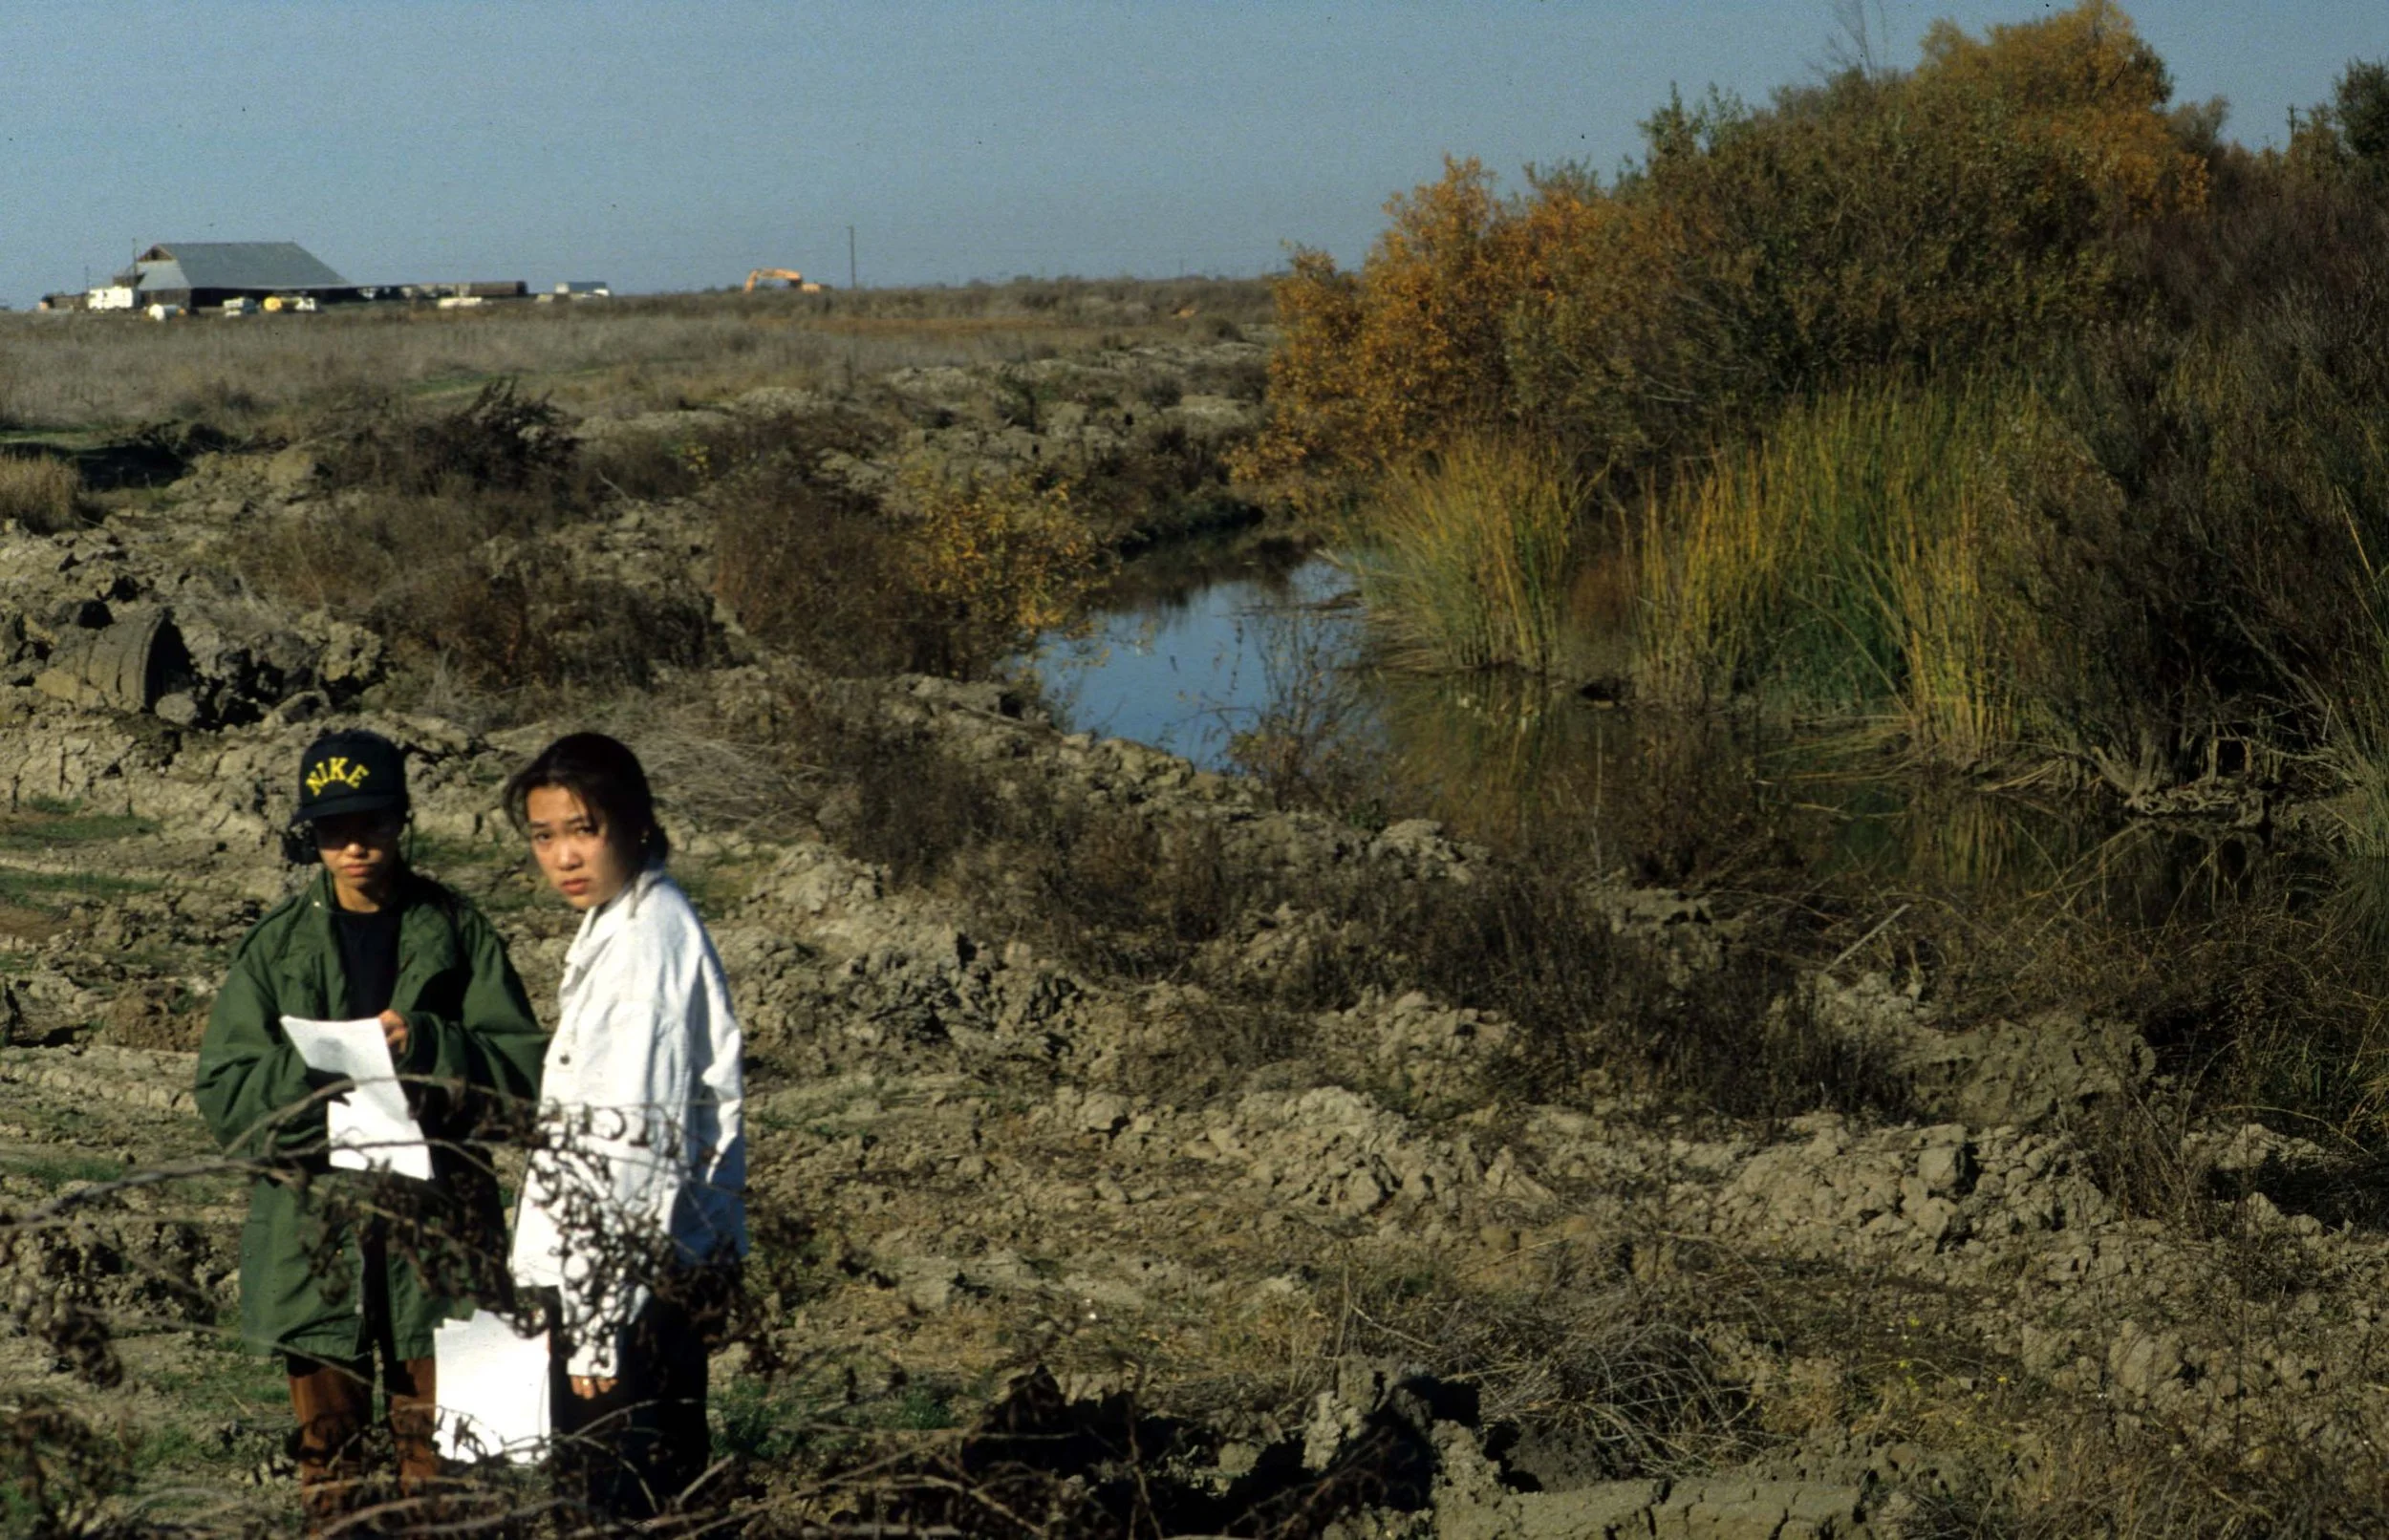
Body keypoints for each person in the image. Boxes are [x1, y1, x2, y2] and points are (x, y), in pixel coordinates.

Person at [194, 727, 548, 1534]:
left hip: (448, 1240)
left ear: (403, 822)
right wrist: (318, 1072)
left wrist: (427, 1043)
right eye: (333, 830)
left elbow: (522, 1084)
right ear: (310, 835)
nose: (355, 846)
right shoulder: (273, 951)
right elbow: (225, 1099)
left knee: (463, 1471)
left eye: (374, 824)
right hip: (314, 1237)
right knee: (333, 1477)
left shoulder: (460, 933)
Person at [503, 732, 745, 1523]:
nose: (564, 857)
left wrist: (599, 1329)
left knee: (622, 1503)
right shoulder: (629, 920)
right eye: (545, 836)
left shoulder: (645, 949)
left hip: (630, 1292)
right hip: (642, 1277)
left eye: (584, 829)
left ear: (635, 824)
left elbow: (632, 1146)